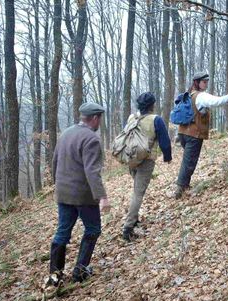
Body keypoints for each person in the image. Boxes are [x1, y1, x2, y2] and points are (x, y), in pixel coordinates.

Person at [48, 102, 111, 285]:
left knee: (62, 233)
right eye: (100, 118)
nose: (100, 121)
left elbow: (54, 162)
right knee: (93, 229)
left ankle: (55, 277)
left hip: (63, 193)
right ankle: (80, 271)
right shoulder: (92, 139)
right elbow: (92, 172)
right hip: (83, 196)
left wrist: (57, 185)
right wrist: (102, 197)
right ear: (95, 118)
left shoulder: (66, 133)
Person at [174, 71, 228, 199]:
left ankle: (183, 185)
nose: (206, 84)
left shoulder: (188, 95)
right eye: (204, 82)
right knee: (189, 162)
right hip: (194, 134)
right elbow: (218, 101)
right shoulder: (201, 96)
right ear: (197, 82)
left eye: (207, 81)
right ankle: (180, 189)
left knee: (187, 160)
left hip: (182, 132)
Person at [123, 92, 172, 241]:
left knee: (136, 189)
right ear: (152, 105)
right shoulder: (156, 120)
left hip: (132, 158)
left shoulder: (132, 118)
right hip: (146, 159)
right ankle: (128, 227)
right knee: (138, 193)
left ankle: (135, 218)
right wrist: (167, 157)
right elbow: (165, 141)